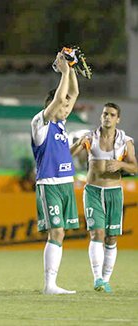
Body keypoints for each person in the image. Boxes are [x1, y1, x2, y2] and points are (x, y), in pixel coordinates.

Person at [70, 103, 137, 293]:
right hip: (92, 191)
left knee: (111, 237)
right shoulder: (91, 137)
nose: (107, 117)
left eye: (112, 114)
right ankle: (97, 278)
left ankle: (106, 280)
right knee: (97, 233)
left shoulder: (126, 141)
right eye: (105, 114)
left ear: (118, 119)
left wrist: (120, 164)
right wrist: (77, 144)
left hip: (114, 192)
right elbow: (68, 156)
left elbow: (134, 167)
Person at [30, 52, 80, 295]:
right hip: (49, 184)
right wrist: (63, 72)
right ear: (51, 106)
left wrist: (70, 68)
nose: (67, 107)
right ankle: (49, 285)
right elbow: (62, 96)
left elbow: (74, 94)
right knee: (56, 230)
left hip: (65, 183)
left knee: (61, 232)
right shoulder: (40, 123)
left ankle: (53, 283)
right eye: (63, 105)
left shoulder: (61, 124)